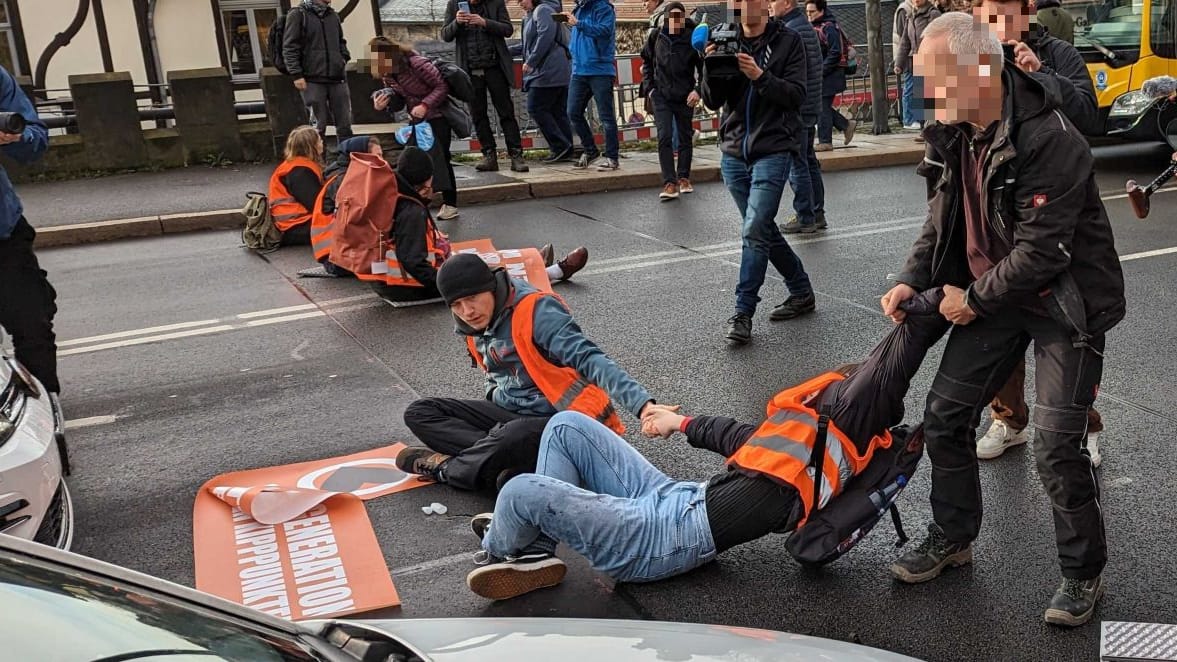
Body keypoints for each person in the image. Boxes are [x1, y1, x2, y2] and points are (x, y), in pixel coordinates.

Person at [462, 290, 952, 601]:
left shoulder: (849, 421)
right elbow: (739, 438)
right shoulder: (813, 439)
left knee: (521, 492)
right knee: (568, 426)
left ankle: (501, 548)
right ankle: (536, 549)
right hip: (678, 500)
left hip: (659, 541)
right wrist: (680, 421)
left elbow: (892, 363)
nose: (838, 384)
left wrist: (931, 301)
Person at [881, 13, 1124, 627]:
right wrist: (914, 276)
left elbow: (1045, 253)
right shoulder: (953, 130)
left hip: (1064, 304)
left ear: (979, 73)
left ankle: (1081, 574)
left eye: (931, 79)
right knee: (944, 418)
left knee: (1053, 445)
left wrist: (973, 299)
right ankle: (953, 535)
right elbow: (942, 221)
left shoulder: (1050, 137)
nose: (923, 94)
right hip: (995, 297)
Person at [398, 250, 654, 493]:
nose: (467, 312)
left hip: (565, 422)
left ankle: (449, 469)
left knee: (512, 435)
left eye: (473, 298)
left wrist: (643, 406)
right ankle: (502, 462)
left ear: (491, 287)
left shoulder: (538, 311)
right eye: (457, 304)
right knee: (421, 412)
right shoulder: (471, 322)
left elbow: (591, 358)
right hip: (512, 414)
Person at [971, 0, 1103, 461]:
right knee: (1001, 310)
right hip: (999, 212)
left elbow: (1090, 116)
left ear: (1025, 15)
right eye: (990, 16)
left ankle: (1079, 424)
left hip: (1054, 208)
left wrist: (1042, 72)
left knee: (1065, 328)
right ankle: (1009, 420)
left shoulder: (1060, 54)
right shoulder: (973, 59)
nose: (1000, 26)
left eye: (1008, 14)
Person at [701, 0, 815, 347]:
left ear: (764, 4)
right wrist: (709, 66)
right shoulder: (726, 38)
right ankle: (801, 290)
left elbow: (796, 95)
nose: (740, 6)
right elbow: (711, 101)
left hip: (774, 147)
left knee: (753, 229)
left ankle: (743, 311)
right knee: (761, 228)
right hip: (734, 152)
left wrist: (760, 76)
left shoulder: (788, 41)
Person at [373, 147, 587, 303]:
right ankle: (553, 272)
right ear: (424, 181)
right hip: (406, 286)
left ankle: (530, 262)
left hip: (392, 279)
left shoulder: (396, 195)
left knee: (471, 261)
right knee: (481, 277)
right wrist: (446, 281)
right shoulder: (412, 211)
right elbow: (414, 261)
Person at [0, 65, 58, 395]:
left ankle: (46, 412)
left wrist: (17, 136)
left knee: (33, 321)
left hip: (3, 231)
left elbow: (35, 138)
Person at [370, 37, 460, 221]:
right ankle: (420, 202)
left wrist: (425, 105)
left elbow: (442, 86)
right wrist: (384, 103)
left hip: (437, 116)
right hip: (417, 121)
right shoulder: (388, 74)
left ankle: (450, 203)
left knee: (441, 158)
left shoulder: (417, 63)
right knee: (417, 160)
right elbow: (398, 101)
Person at [442, 0, 529, 173]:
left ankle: (516, 155)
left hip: (495, 67)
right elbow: (445, 35)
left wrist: (484, 22)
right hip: (470, 69)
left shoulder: (496, 2)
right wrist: (457, 22)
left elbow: (508, 29)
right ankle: (489, 155)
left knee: (506, 112)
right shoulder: (454, 4)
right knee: (478, 115)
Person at [640, 2, 702, 201]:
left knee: (684, 136)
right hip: (661, 95)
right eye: (672, 16)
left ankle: (684, 177)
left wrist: (698, 91)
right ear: (666, 18)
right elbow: (647, 63)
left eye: (679, 17)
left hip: (685, 95)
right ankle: (669, 182)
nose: (676, 21)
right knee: (665, 136)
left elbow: (704, 69)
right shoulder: (656, 36)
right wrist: (650, 90)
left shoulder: (693, 38)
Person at [772, 0, 825, 234]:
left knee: (798, 161)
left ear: (786, 3)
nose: (770, 5)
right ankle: (817, 212)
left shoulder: (792, 29)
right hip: (810, 102)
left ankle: (805, 215)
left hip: (798, 106)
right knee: (808, 159)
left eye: (773, 0)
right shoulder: (802, 25)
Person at [309, 135, 383, 275]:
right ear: (361, 156)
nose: (382, 160)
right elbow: (362, 217)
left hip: (344, 252)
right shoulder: (345, 182)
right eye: (377, 155)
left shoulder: (354, 175)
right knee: (395, 266)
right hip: (337, 257)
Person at [282, 0, 353, 143]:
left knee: (345, 124)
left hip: (337, 77)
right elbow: (290, 47)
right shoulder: (298, 14)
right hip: (312, 79)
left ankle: (346, 160)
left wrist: (343, 58)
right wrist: (296, 74)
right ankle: (319, 162)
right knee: (318, 127)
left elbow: (340, 41)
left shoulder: (333, 15)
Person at [514, 0, 575, 163]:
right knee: (557, 111)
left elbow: (545, 37)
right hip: (556, 70)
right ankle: (566, 149)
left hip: (548, 71)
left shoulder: (542, 10)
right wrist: (505, 51)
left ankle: (560, 146)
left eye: (521, 0)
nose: (519, 3)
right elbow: (528, 44)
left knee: (536, 107)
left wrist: (531, 61)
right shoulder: (533, 14)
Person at [566, 0, 621, 171]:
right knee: (573, 112)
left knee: (606, 117)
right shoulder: (579, 9)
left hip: (600, 69)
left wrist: (578, 24)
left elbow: (604, 31)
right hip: (580, 69)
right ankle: (590, 150)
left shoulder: (604, 8)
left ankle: (612, 157)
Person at [808, 0, 857, 151]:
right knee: (822, 106)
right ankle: (846, 125)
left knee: (822, 107)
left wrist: (820, 71)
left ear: (822, 11)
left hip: (830, 74)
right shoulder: (818, 26)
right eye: (807, 12)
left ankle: (825, 141)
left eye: (812, 12)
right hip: (826, 73)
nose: (809, 15)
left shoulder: (828, 27)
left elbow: (834, 52)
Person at [268, 125, 324, 246]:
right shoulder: (300, 172)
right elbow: (317, 204)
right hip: (296, 226)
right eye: (319, 140)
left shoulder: (293, 165)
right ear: (311, 146)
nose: (322, 142)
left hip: (292, 224)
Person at [895, 0, 942, 141]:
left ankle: (934, 130)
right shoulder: (911, 16)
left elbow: (939, 38)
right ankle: (925, 130)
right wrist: (899, 63)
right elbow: (905, 42)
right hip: (918, 60)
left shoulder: (933, 14)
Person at [892, 0, 921, 130]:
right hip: (909, 56)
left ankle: (916, 118)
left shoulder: (913, 9)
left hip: (912, 54)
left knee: (917, 87)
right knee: (910, 87)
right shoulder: (905, 9)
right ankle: (909, 119)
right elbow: (904, 35)